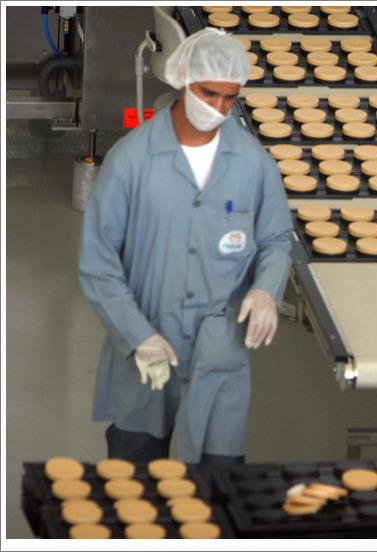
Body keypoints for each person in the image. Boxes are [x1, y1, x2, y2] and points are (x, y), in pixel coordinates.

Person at [79, 28, 293, 468]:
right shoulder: (131, 160)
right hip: (147, 342)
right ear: (182, 80)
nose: (217, 108)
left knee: (214, 487)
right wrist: (137, 335)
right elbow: (99, 263)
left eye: (229, 98)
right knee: (135, 477)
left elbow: (274, 240)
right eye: (208, 93)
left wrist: (267, 289)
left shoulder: (254, 164)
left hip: (220, 348)